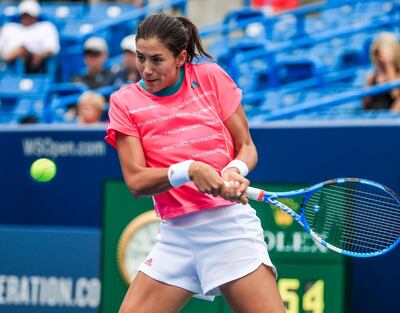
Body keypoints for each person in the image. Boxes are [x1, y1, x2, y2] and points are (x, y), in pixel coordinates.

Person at [105, 13, 285, 313]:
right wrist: (188, 170)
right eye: (140, 58)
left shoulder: (210, 77)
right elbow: (136, 181)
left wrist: (233, 170)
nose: (146, 70)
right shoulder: (124, 102)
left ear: (181, 57)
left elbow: (246, 147)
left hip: (228, 230)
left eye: (157, 60)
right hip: (175, 234)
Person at [0, 0, 60, 73]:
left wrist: (40, 56)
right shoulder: (9, 28)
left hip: (36, 64)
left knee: (23, 50)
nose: (26, 18)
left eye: (29, 15)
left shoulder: (46, 27)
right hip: (7, 63)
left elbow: (52, 48)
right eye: (24, 15)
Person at [362, 32, 400, 112]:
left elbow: (395, 95)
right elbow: (365, 104)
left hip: (390, 121)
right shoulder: (372, 76)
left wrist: (388, 65)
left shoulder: (398, 74)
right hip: (373, 119)